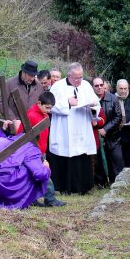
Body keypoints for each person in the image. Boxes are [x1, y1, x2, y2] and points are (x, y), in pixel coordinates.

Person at [48, 62, 101, 194]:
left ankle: (83, 187)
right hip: (64, 129)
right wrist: (67, 103)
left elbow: (96, 103)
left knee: (81, 156)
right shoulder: (57, 87)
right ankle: (63, 188)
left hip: (81, 127)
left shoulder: (86, 85)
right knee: (64, 156)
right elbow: (50, 106)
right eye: (76, 78)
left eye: (81, 77)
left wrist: (93, 107)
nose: (79, 80)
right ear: (69, 75)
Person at [11, 91, 66, 207]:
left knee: (36, 175)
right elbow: (21, 134)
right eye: (47, 107)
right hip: (33, 152)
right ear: (39, 103)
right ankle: (49, 199)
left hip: (41, 151)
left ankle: (34, 199)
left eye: (51, 108)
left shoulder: (45, 115)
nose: (49, 111)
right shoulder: (30, 115)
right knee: (44, 174)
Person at [93, 77, 124, 182]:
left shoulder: (113, 98)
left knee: (117, 160)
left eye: (101, 85)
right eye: (96, 86)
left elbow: (118, 116)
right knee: (100, 162)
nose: (99, 87)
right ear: (93, 87)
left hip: (113, 136)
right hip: (96, 136)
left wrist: (105, 129)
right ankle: (101, 183)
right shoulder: (90, 100)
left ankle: (118, 182)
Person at [0, 60, 44, 129]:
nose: (32, 78)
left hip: (34, 127)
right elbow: (1, 102)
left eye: (34, 75)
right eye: (30, 75)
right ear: (23, 72)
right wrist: (13, 119)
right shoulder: (10, 83)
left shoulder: (38, 86)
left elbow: (42, 104)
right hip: (15, 126)